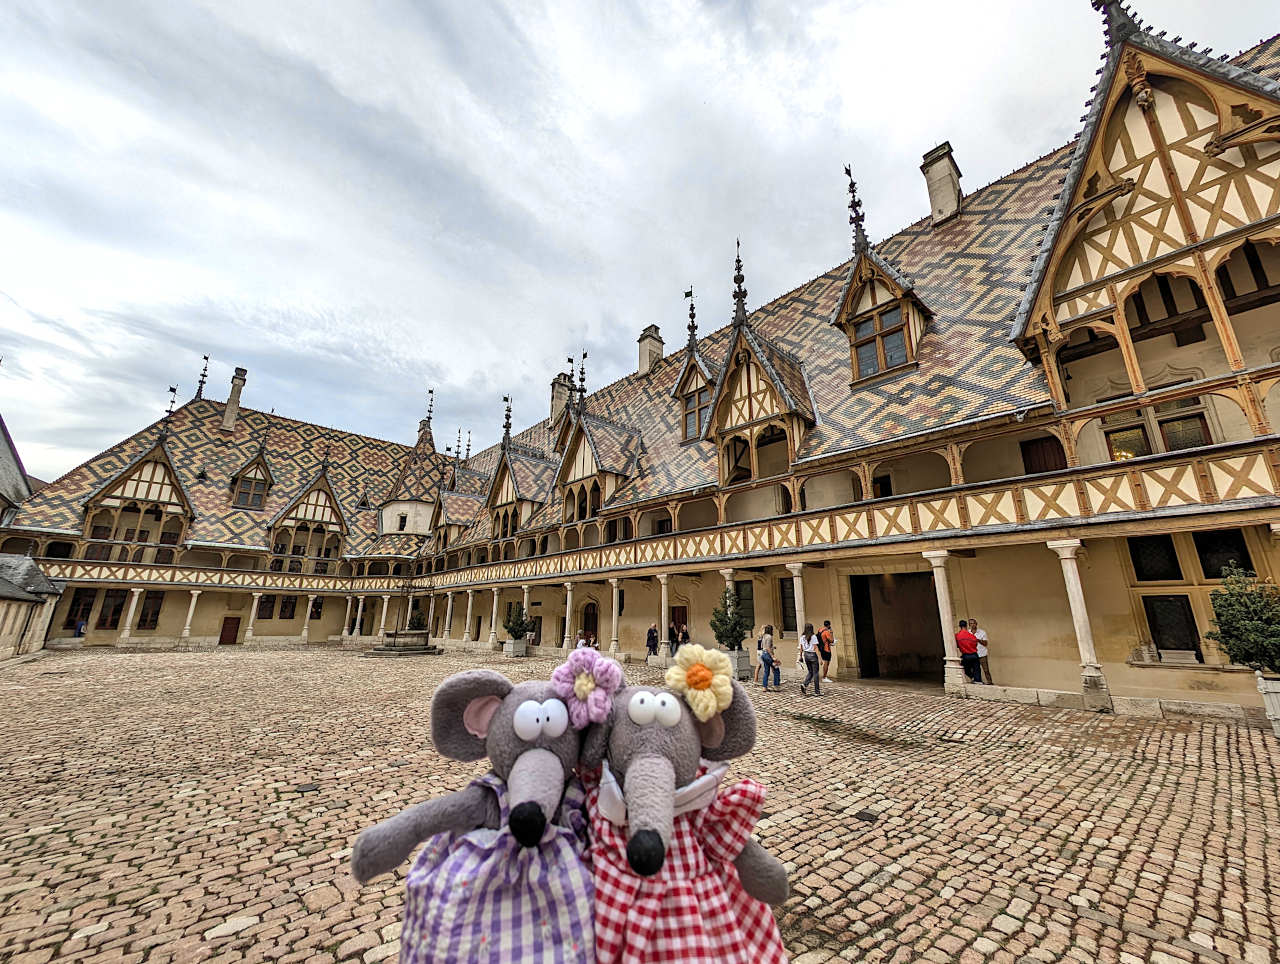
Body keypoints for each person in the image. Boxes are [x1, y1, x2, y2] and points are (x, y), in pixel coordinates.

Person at [798, 623, 822, 696]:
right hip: (812, 655)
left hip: (806, 655)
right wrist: (820, 658)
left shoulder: (802, 637)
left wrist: (800, 656)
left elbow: (801, 647)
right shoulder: (813, 636)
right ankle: (817, 692)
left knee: (810, 672)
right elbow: (815, 648)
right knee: (816, 673)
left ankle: (804, 684)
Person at [970, 617, 992, 684]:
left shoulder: (982, 632)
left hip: (982, 654)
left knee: (986, 670)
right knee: (975, 669)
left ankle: (990, 682)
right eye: (970, 624)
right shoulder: (968, 633)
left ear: (976, 624)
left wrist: (978, 640)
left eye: (973, 623)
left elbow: (985, 643)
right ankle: (978, 681)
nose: (972, 625)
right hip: (973, 654)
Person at [759, 625, 780, 691]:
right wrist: (773, 657)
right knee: (776, 669)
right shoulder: (769, 637)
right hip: (768, 655)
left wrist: (772, 647)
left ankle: (764, 687)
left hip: (763, 654)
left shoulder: (764, 636)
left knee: (766, 671)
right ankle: (776, 686)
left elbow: (765, 646)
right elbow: (768, 648)